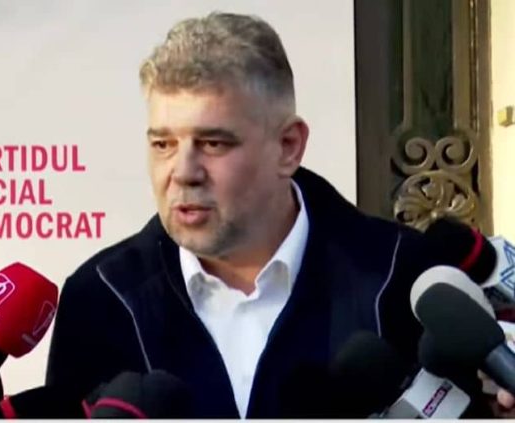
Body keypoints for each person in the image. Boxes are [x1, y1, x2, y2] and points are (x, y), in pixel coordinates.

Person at [45, 11, 514, 418]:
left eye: (213, 143)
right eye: (163, 144)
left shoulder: (406, 280)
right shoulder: (99, 299)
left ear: (289, 146)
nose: (183, 172)